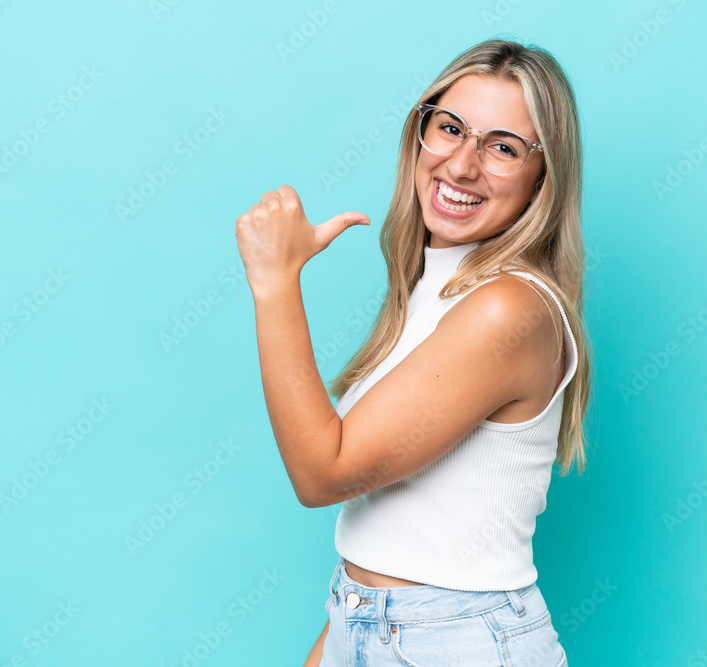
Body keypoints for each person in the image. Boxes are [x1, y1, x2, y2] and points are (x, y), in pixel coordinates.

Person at [235, 37, 592, 666]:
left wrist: (275, 284)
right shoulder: (436, 285)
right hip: (364, 620)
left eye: (503, 147)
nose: (460, 166)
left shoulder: (507, 309)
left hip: (457, 640)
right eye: (449, 129)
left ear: (546, 176)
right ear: (419, 134)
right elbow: (386, 541)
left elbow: (324, 474)